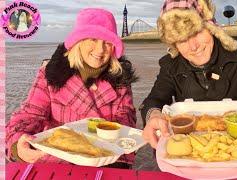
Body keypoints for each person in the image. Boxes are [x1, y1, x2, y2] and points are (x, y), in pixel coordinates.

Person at [140, 0, 237, 179]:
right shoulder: (171, 66)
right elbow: (155, 99)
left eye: (196, 32)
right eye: (181, 39)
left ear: (210, 26)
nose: (193, 46)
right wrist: (153, 115)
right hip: (190, 153)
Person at [6, 8, 138, 169]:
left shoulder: (120, 78)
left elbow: (127, 117)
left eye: (107, 42)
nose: (100, 49)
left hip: (106, 161)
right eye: (93, 39)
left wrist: (108, 138)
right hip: (57, 162)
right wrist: (18, 145)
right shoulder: (51, 75)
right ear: (78, 41)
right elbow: (29, 115)